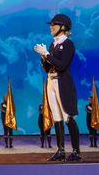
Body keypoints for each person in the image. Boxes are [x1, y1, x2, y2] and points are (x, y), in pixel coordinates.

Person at [34, 14, 81, 162]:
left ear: (62, 27)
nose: (51, 27)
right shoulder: (53, 44)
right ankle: (61, 150)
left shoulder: (68, 44)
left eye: (53, 25)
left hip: (62, 82)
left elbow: (62, 65)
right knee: (56, 116)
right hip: (51, 81)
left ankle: (76, 151)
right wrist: (44, 58)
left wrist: (47, 54)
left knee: (67, 117)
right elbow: (49, 68)